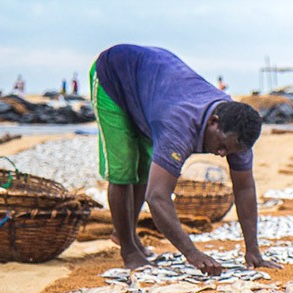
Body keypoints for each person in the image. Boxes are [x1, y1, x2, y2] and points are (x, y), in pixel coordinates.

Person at [89, 44, 281, 275]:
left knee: (143, 169)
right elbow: (157, 197)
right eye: (221, 147)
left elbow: (245, 189)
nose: (221, 155)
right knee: (124, 170)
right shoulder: (179, 127)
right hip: (115, 76)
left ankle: (125, 235)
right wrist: (192, 253)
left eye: (228, 151)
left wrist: (253, 251)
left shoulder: (239, 136)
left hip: (154, 90)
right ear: (213, 122)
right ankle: (129, 250)